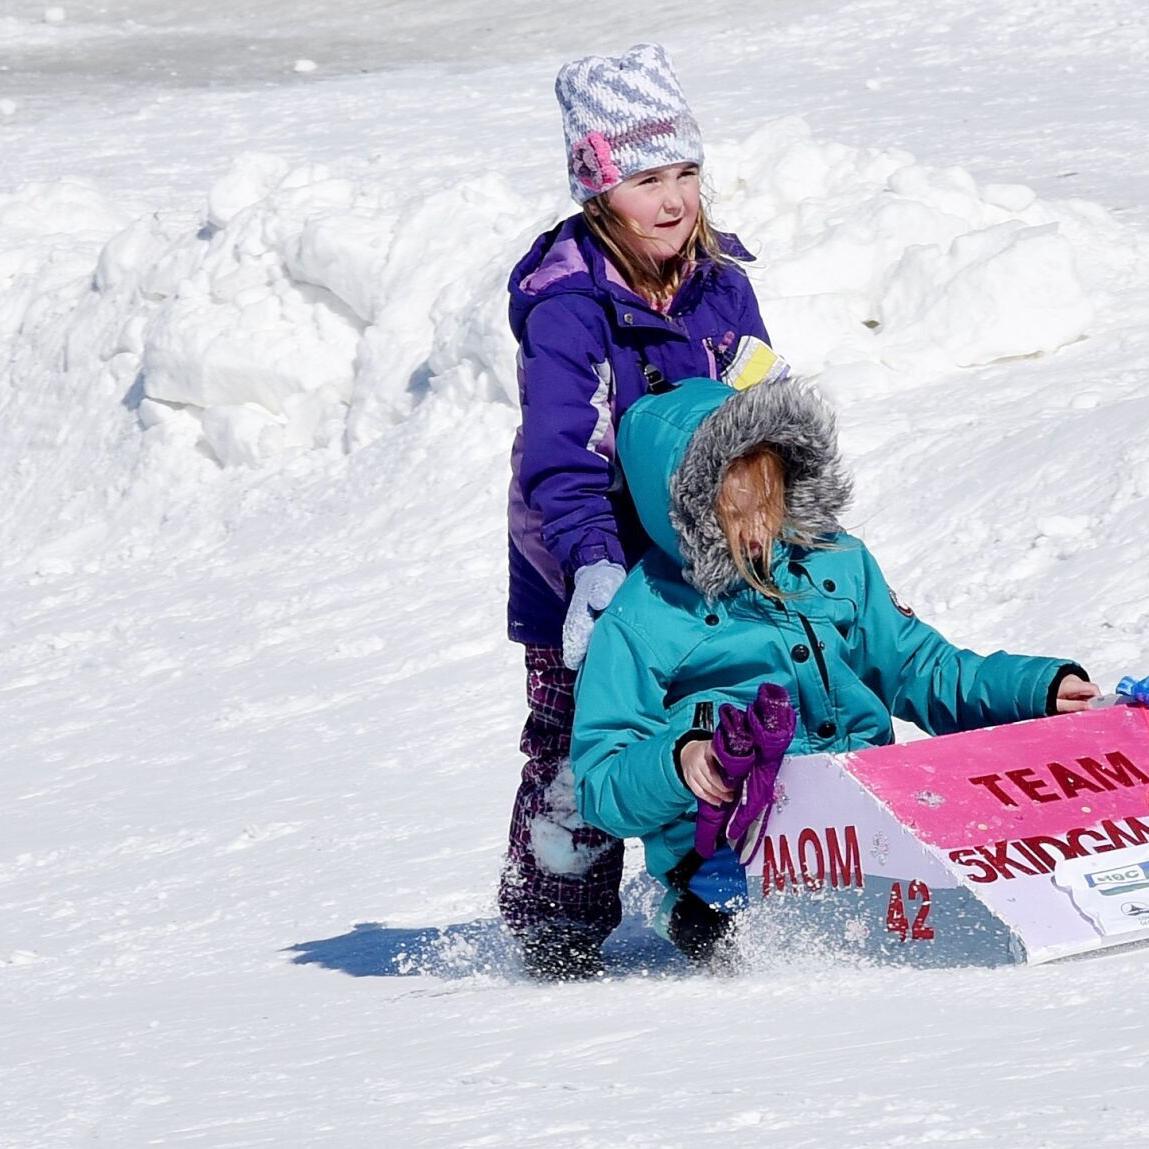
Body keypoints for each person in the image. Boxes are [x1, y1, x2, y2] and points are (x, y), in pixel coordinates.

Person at [570, 375, 1099, 966]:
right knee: (755, 934)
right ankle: (688, 917)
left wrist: (1038, 690)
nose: (757, 530)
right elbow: (602, 780)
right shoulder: (643, 619)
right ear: (685, 513)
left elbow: (921, 667)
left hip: (869, 826)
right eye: (731, 512)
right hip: (735, 854)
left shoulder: (835, 562)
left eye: (767, 504)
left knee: (997, 878)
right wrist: (680, 758)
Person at [499, 43, 787, 980]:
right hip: (584, 562)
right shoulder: (569, 304)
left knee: (726, 713)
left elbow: (756, 416)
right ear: (595, 186)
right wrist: (591, 566)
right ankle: (555, 927)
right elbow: (563, 455)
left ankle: (709, 896)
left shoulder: (720, 285)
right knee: (580, 738)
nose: (673, 200)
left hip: (701, 560)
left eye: (686, 172)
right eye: (645, 179)